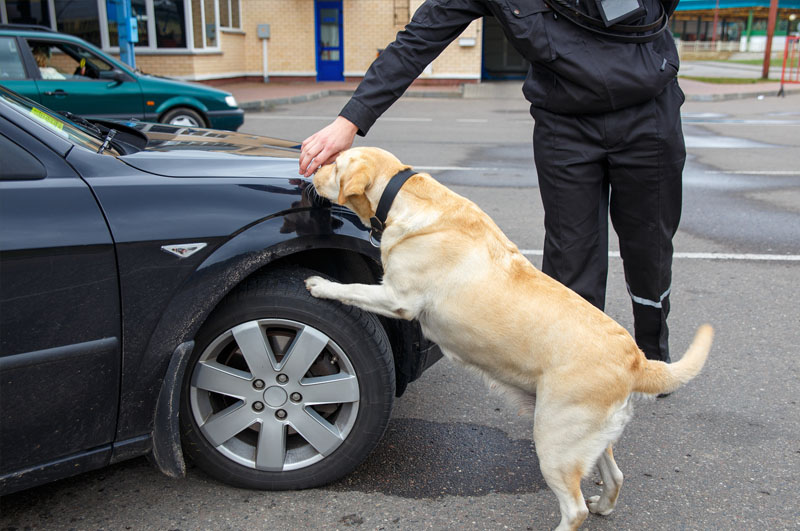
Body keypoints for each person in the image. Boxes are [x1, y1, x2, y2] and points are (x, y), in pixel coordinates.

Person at [299, 0, 685, 365]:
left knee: (648, 247)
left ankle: (651, 349)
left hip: (648, 110)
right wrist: (349, 121)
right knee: (571, 257)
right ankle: (579, 364)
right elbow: (418, 39)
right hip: (565, 123)